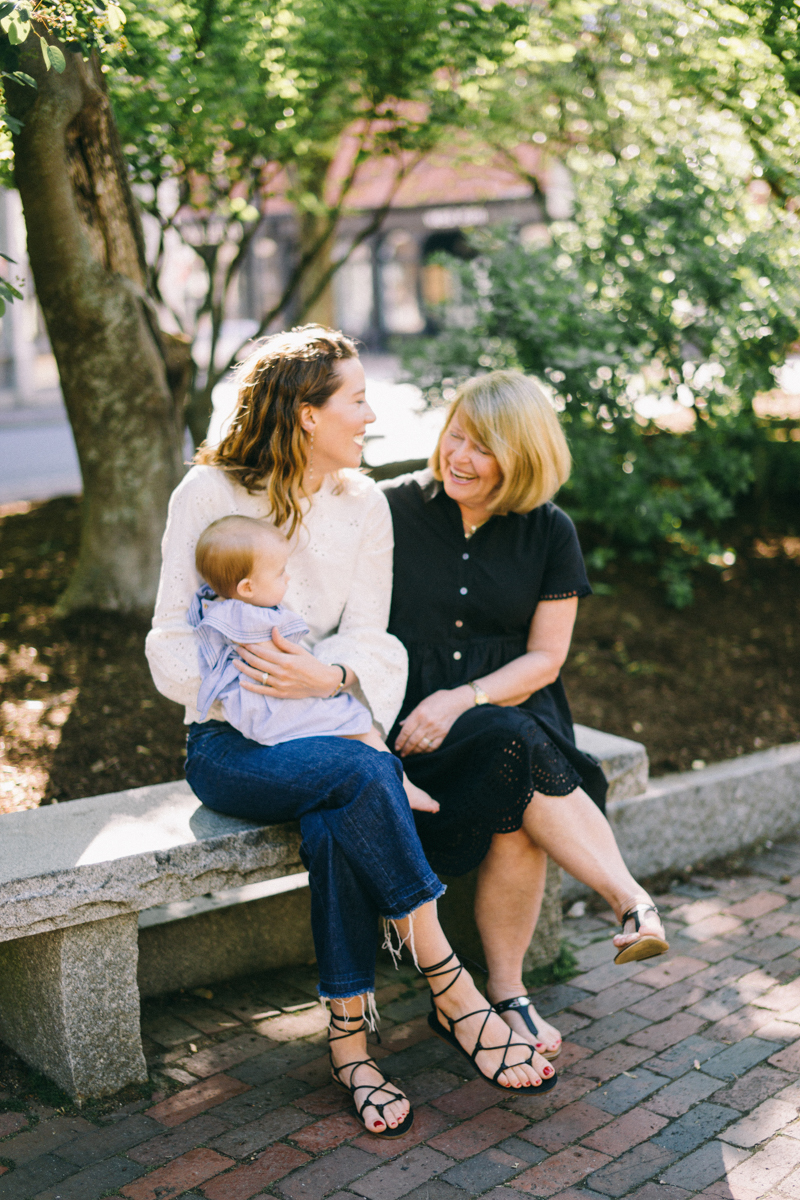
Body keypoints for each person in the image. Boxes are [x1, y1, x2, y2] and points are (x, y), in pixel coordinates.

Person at [145, 328, 557, 1140]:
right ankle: (451, 988)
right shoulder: (208, 496)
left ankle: (351, 1048)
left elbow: (376, 642)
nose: (372, 414)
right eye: (357, 399)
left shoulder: (364, 505)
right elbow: (165, 644)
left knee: (351, 788)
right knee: (364, 772)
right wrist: (255, 666)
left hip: (333, 735)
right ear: (305, 413)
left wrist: (324, 677)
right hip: (232, 746)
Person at [382, 370, 669, 1061]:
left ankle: (506, 992)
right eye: (455, 435)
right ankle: (629, 901)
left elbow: (546, 658)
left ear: (524, 458)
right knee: (518, 754)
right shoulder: (391, 509)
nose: (459, 456)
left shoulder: (549, 532)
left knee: (515, 779)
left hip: (504, 705)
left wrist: (465, 696)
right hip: (414, 722)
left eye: (483, 448)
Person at [189, 514, 438, 811]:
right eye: (280, 573)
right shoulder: (253, 620)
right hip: (273, 706)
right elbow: (286, 659)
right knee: (355, 717)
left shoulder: (217, 609)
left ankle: (397, 784)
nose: (288, 578)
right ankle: (402, 785)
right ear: (247, 588)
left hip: (259, 706)